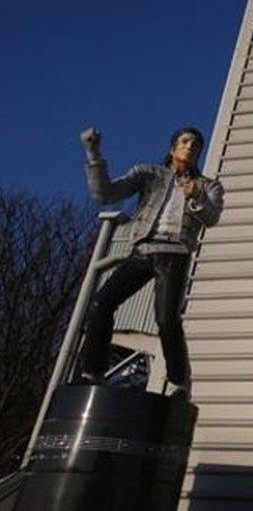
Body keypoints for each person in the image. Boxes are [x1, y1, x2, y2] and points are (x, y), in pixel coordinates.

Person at [77, 126, 224, 399]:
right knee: (101, 303)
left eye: (196, 145)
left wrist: (196, 195)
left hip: (175, 253)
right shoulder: (149, 174)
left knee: (166, 319)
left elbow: (212, 217)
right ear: (172, 148)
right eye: (185, 141)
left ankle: (179, 383)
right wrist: (93, 153)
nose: (190, 147)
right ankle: (92, 374)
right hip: (143, 250)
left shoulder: (207, 185)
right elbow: (105, 194)